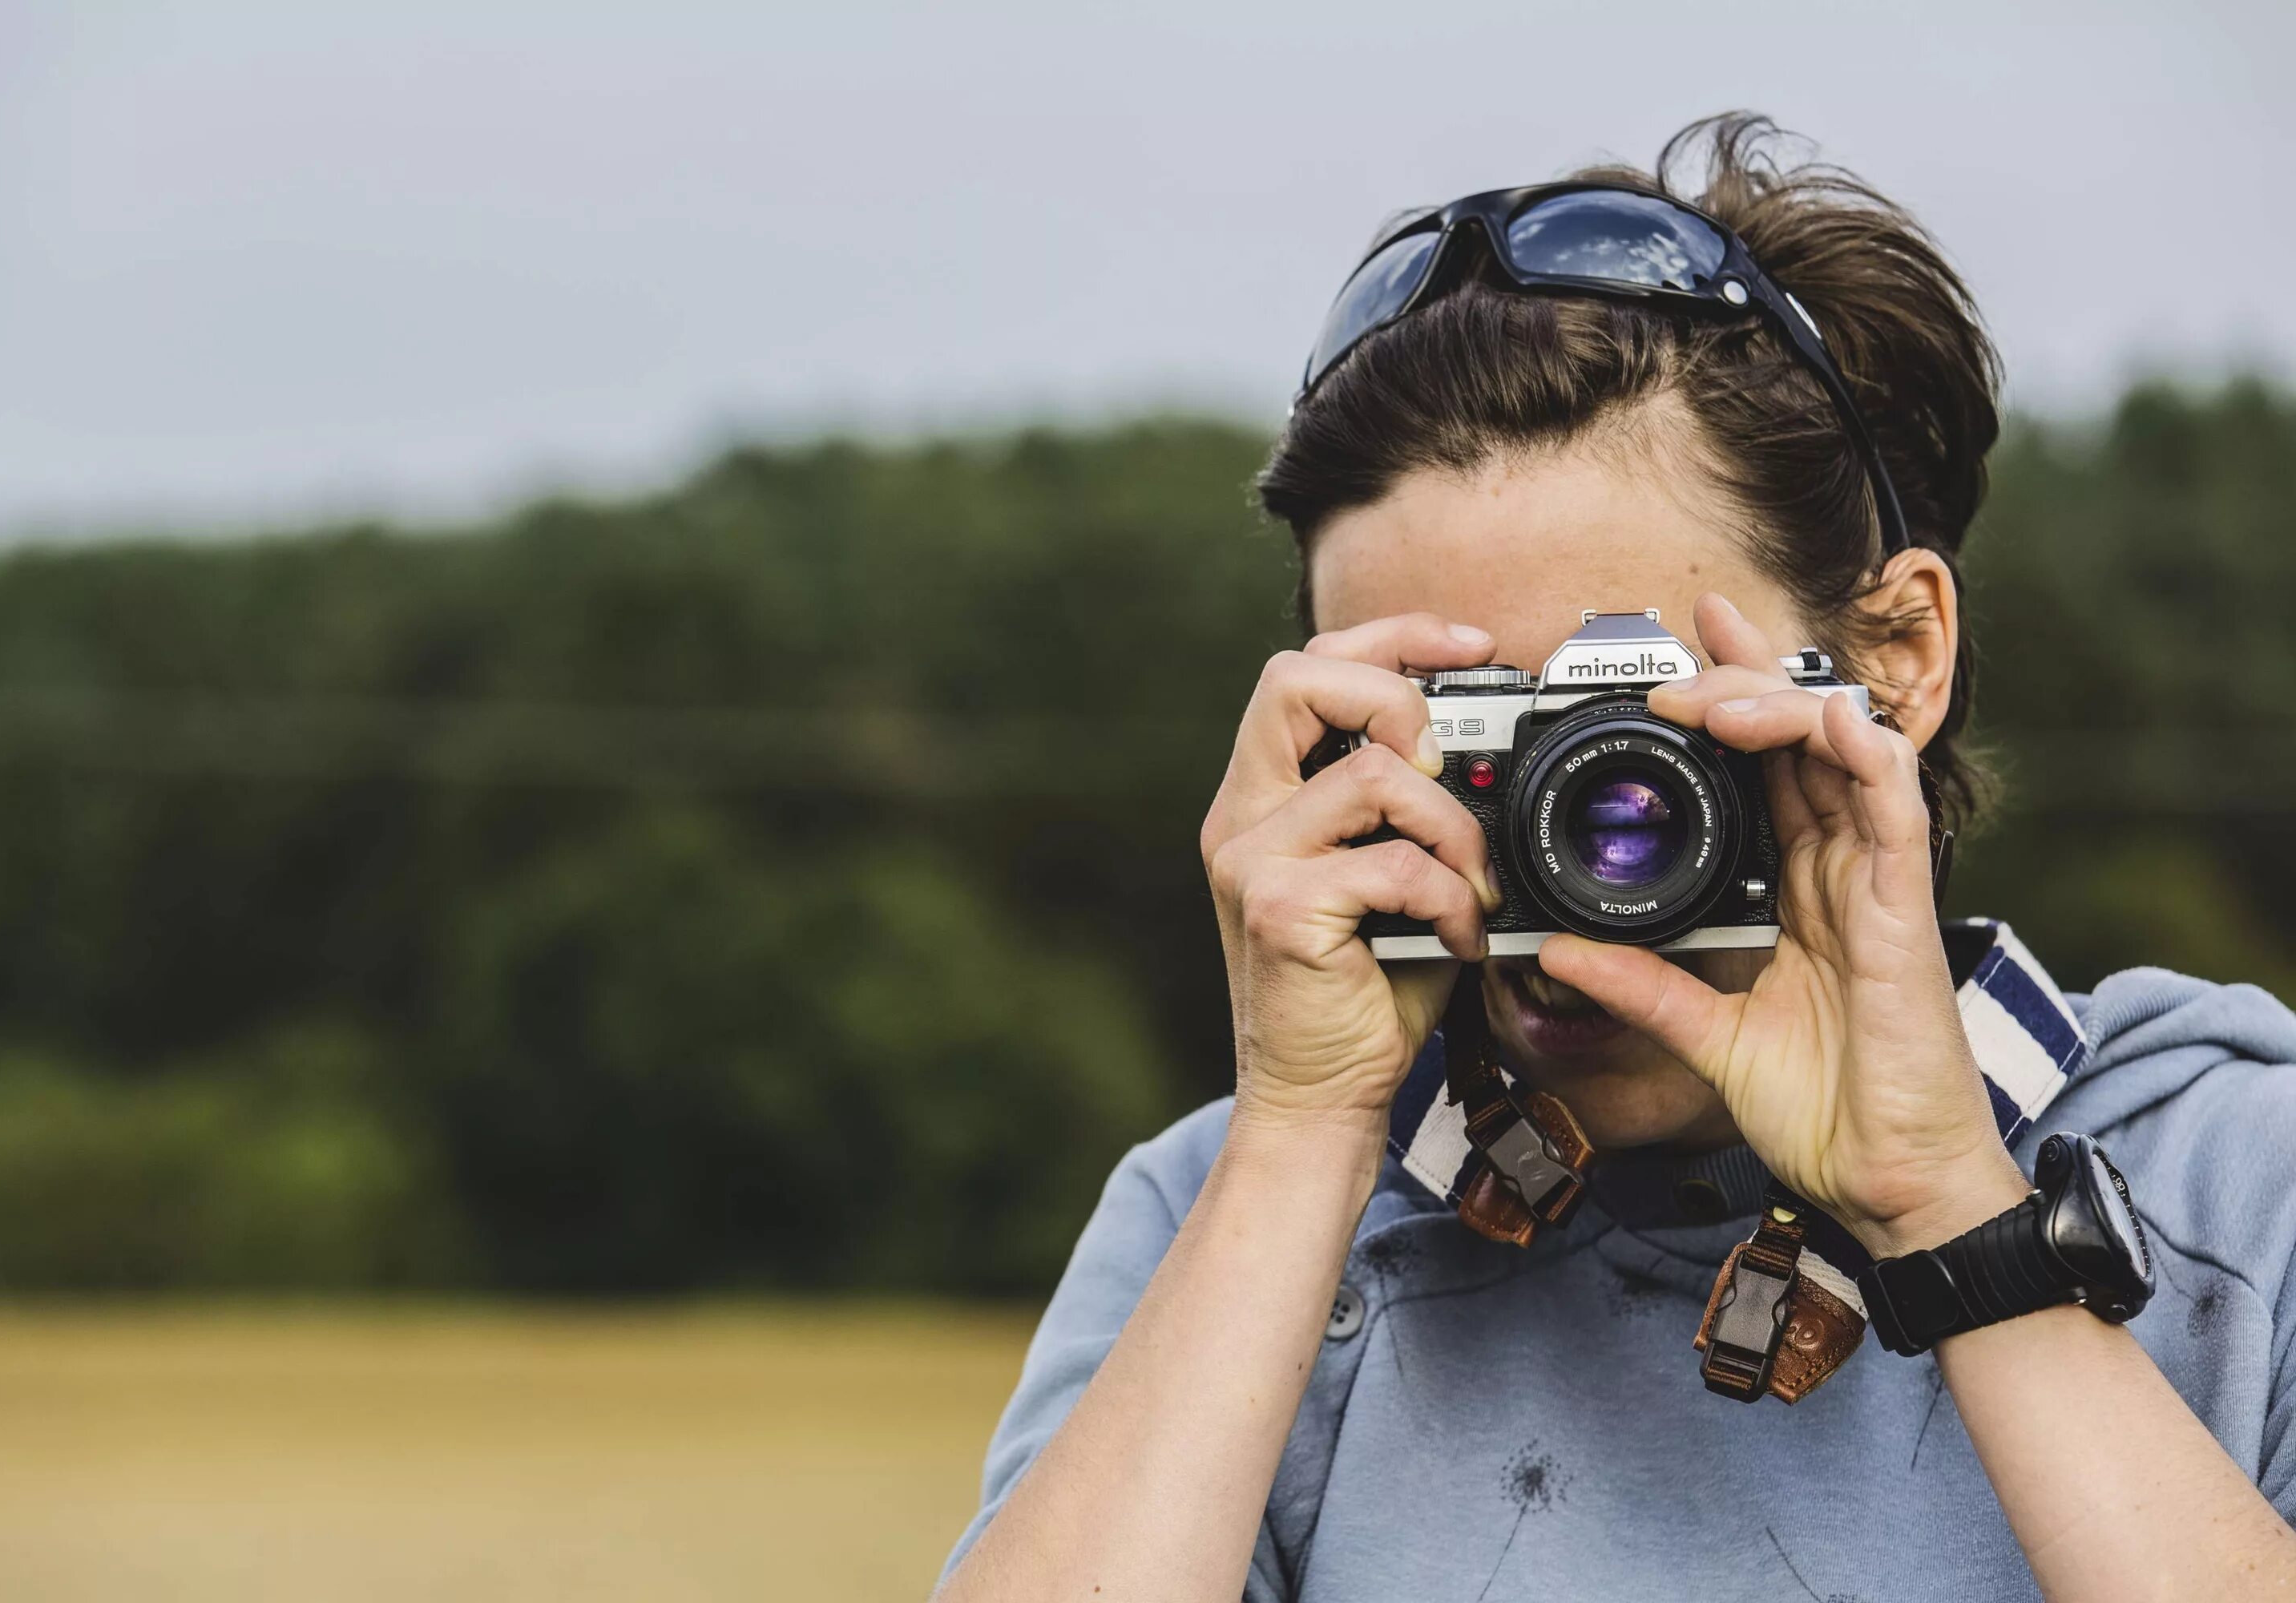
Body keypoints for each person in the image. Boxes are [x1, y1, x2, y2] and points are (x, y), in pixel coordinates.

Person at [935, 115, 2296, 1601]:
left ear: (1895, 659)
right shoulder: (1232, 1226)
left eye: (1621, 731)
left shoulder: (2238, 1190)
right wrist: (1305, 1133)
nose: (1553, 829)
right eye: (1468, 737)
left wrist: (1948, 1206)